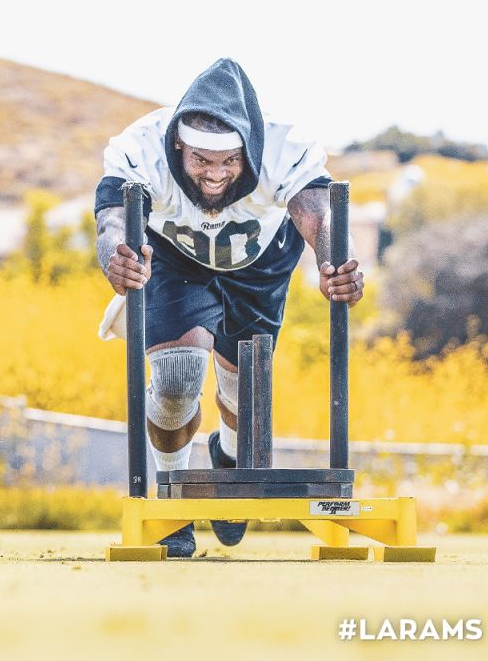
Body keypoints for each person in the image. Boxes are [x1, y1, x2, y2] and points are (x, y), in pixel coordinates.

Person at [93, 58, 363, 557]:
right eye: (201, 161)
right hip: (176, 261)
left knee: (245, 398)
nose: (215, 175)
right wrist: (116, 260)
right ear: (178, 144)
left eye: (229, 162)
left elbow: (319, 215)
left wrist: (333, 264)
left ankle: (229, 462)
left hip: (259, 265)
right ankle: (172, 502)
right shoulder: (142, 147)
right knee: (175, 383)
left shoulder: (285, 146)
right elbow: (111, 220)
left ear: (251, 146)